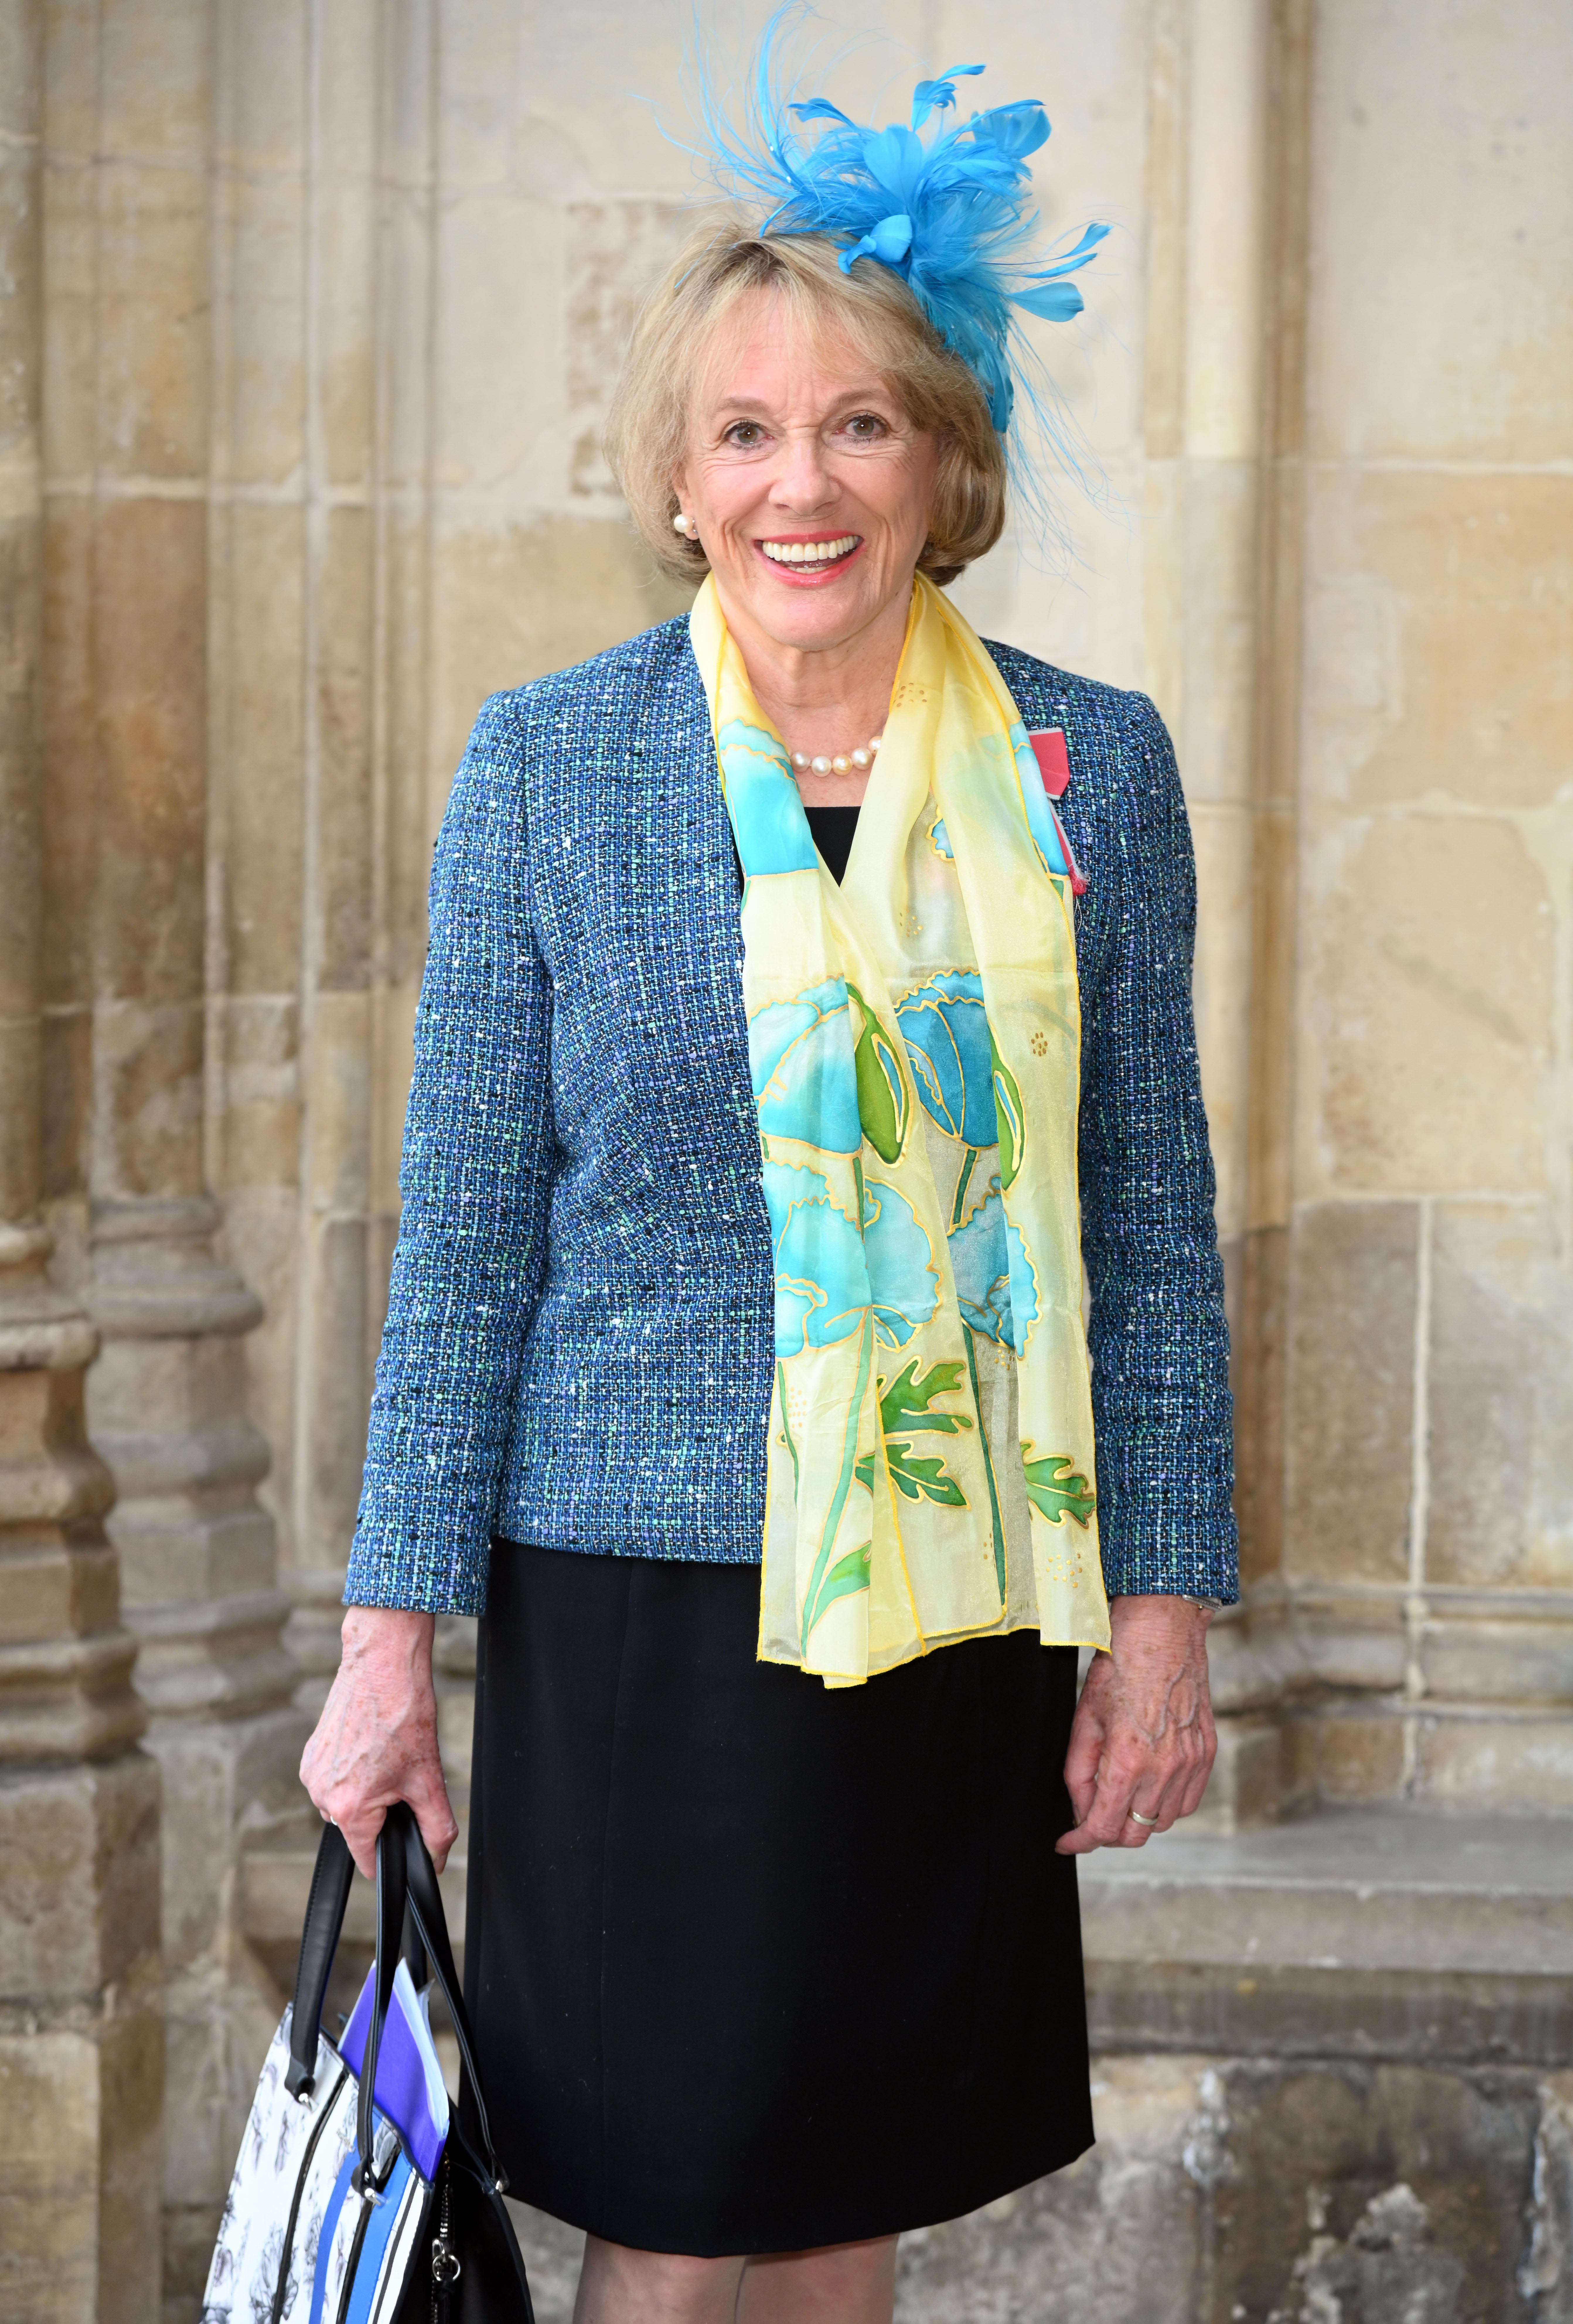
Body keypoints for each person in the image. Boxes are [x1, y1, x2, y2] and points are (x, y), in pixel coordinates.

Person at [301, 40, 1236, 2324]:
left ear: (946, 464)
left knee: (847, 2185)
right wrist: (385, 1641)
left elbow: (1147, 1224)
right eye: (743, 431)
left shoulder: (1090, 767)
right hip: (641, 1608)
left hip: (951, 1587)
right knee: (679, 2205)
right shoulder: (549, 762)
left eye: (858, 425)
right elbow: (467, 1233)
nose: (799, 482)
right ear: (679, 478)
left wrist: (1164, 1616)